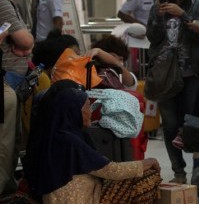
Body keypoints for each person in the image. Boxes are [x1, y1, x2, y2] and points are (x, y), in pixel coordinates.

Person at [24, 80, 162, 203]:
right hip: (81, 198)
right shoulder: (70, 141)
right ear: (74, 111)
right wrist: (146, 163)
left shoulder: (54, 135)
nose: (90, 112)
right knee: (147, 178)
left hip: (63, 197)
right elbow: (111, 170)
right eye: (86, 107)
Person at [145, 0, 199, 183]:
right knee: (170, 125)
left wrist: (182, 15)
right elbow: (152, 37)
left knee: (190, 123)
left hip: (191, 72)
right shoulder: (158, 6)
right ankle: (178, 171)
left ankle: (198, 170)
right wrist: (160, 18)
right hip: (165, 73)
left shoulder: (197, 5)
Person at [0, 0, 34, 195]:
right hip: (7, 78)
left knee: (11, 140)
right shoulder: (2, 4)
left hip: (13, 77)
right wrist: (23, 42)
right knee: (6, 141)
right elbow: (26, 41)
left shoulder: (10, 0)